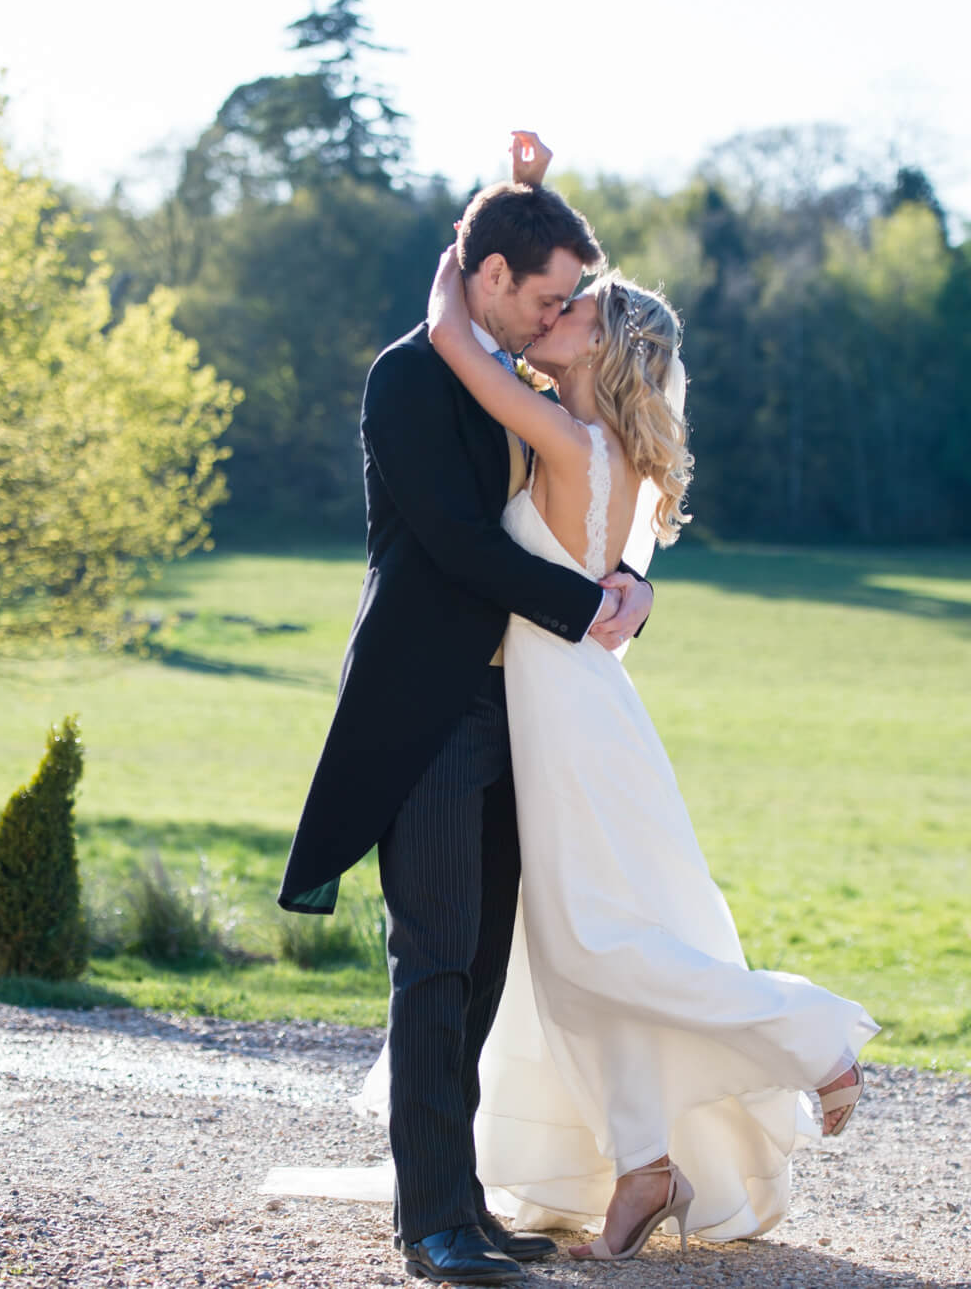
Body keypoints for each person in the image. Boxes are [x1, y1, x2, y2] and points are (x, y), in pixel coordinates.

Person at [402, 134, 881, 1264]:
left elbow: (448, 333)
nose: (551, 314)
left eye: (572, 310)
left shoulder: (566, 438)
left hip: (566, 716)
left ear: (595, 345)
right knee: (576, 954)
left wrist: (468, 245)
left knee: (595, 947)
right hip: (572, 707)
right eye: (553, 298)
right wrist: (517, 201)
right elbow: (614, 560)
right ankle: (641, 1163)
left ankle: (810, 1030)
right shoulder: (607, 441)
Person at [278, 148, 656, 1286]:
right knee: (434, 958)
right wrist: (591, 604)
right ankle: (429, 1221)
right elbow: (458, 544)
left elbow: (577, 516)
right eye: (545, 295)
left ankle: (463, 1198)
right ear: (487, 275)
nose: (557, 315)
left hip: (525, 712)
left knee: (486, 964)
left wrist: (634, 591)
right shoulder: (405, 377)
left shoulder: (526, 387)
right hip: (430, 709)